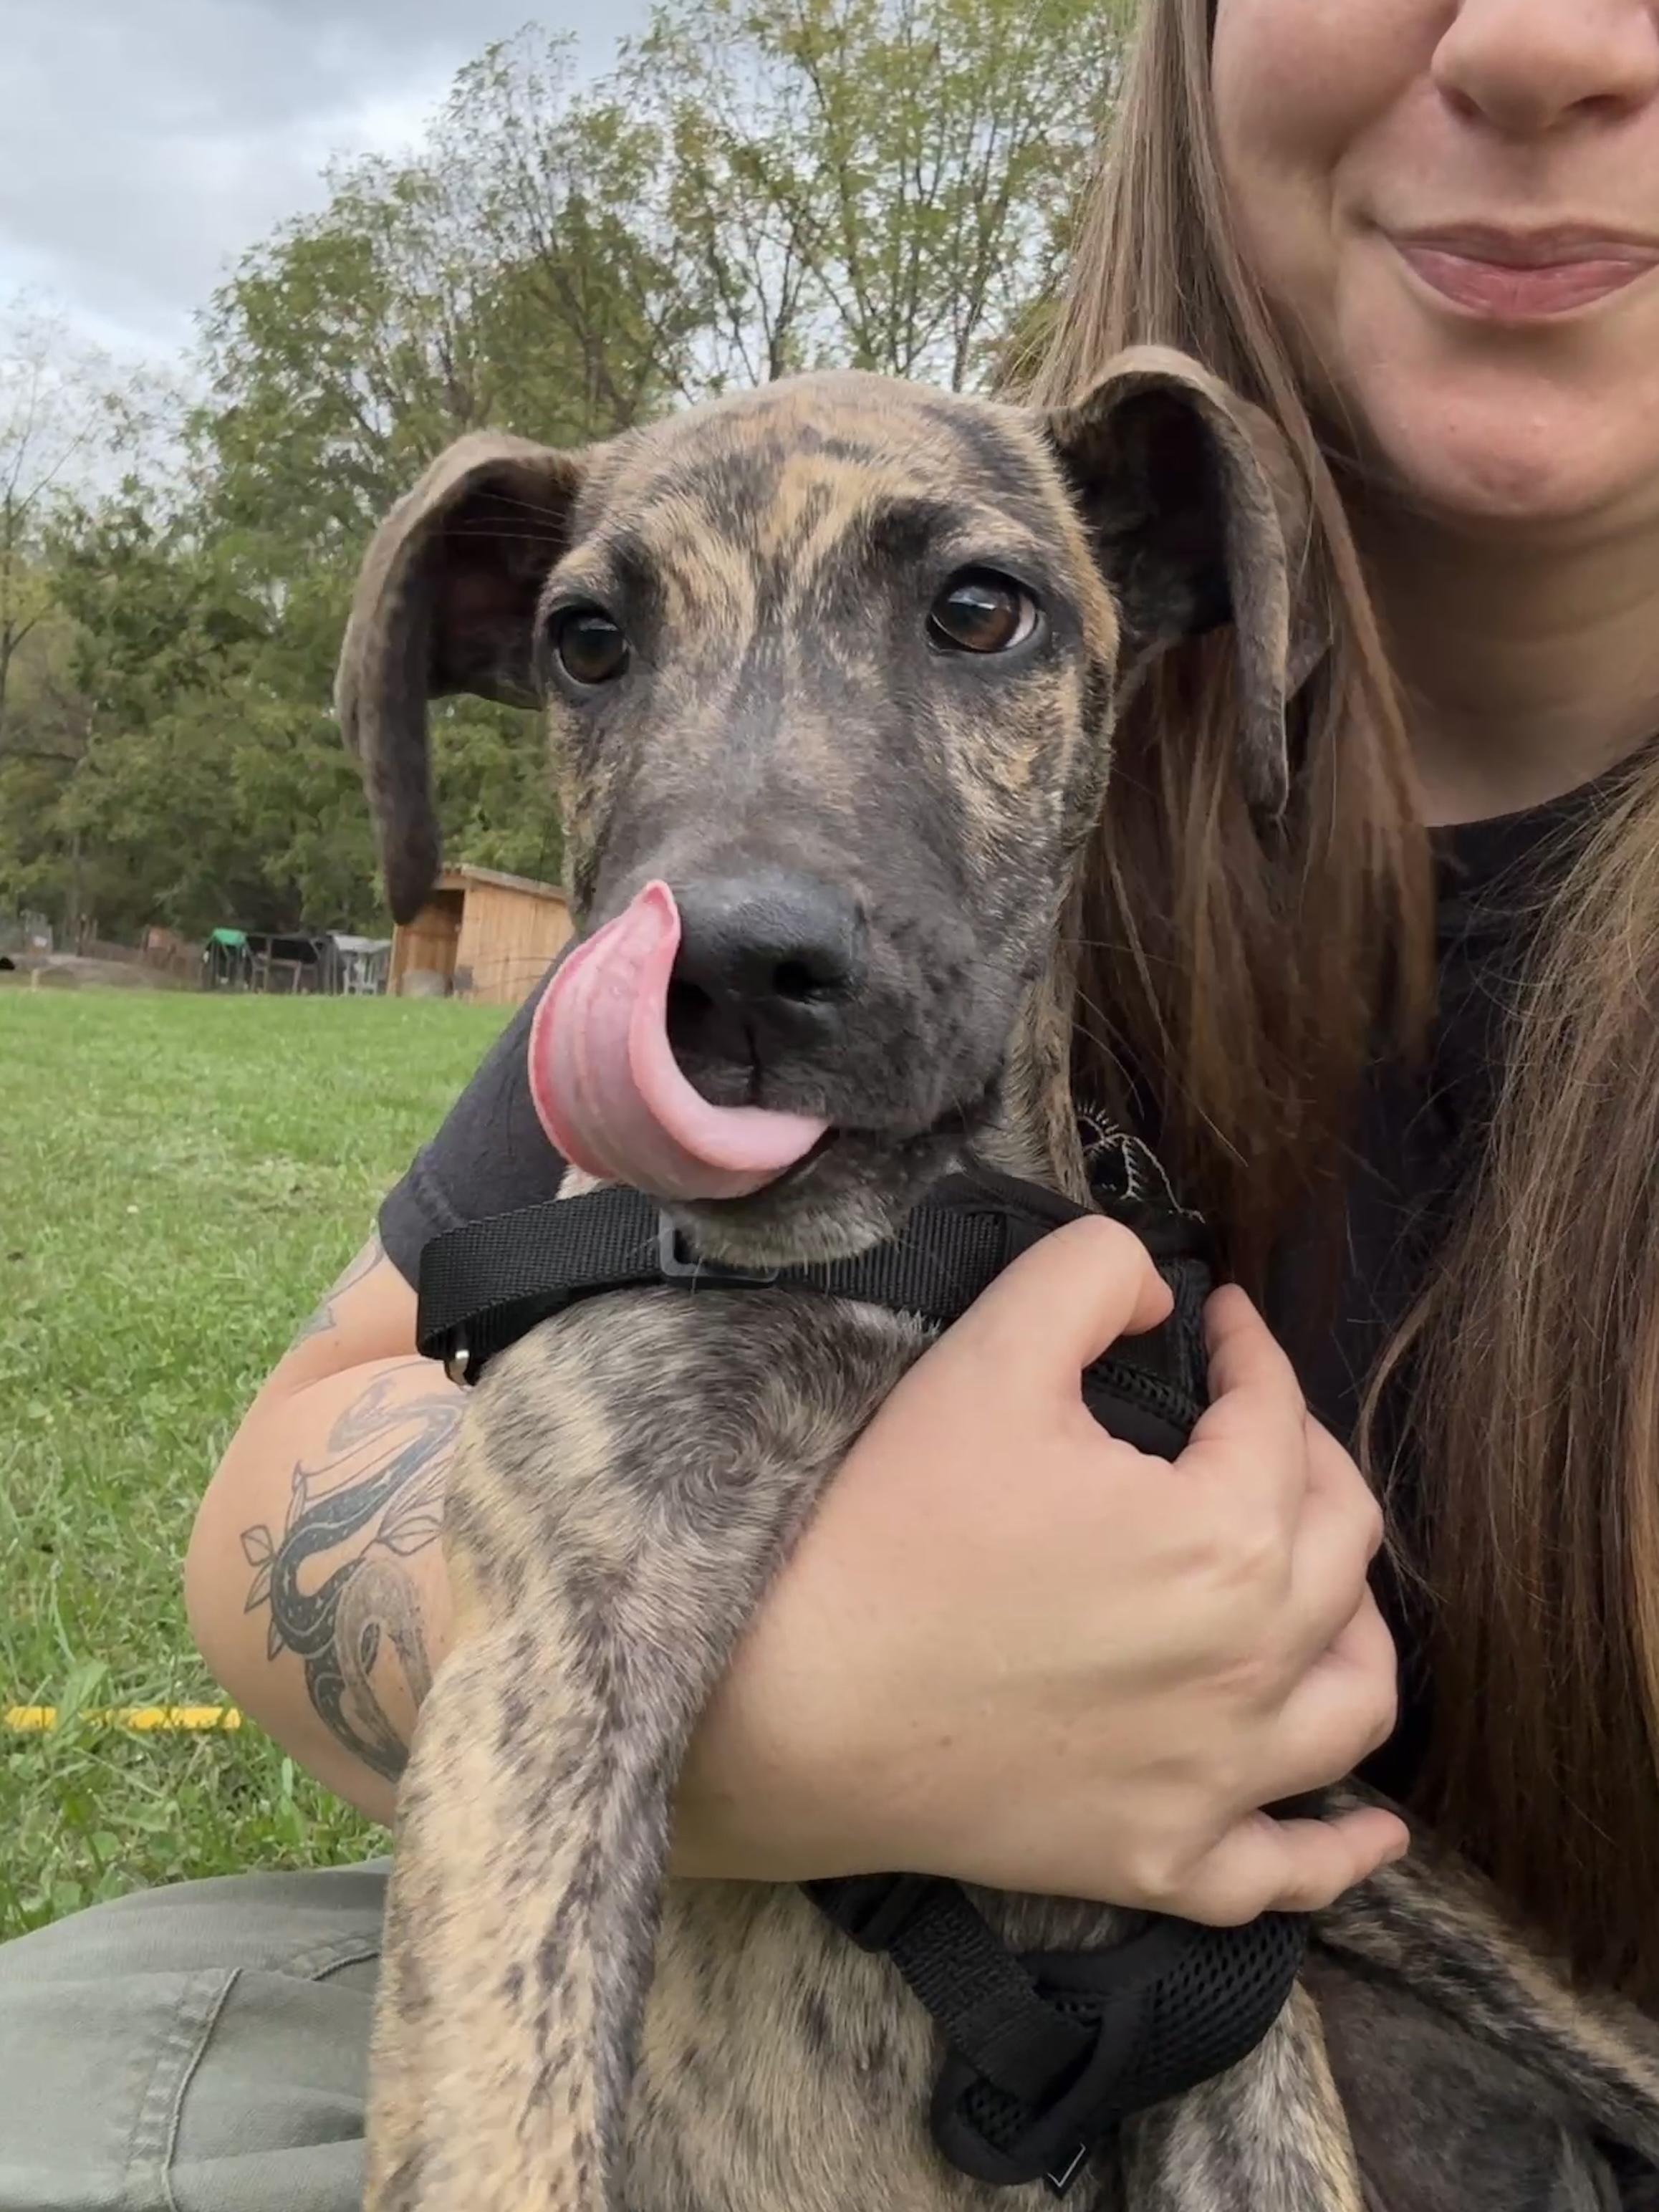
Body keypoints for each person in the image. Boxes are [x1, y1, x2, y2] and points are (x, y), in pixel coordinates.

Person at [6, 0, 1659, 2203]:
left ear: (1163, 592)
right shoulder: (705, 1072)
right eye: (600, 649)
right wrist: (777, 1711)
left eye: (970, 615)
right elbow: (290, 1487)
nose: (1546, 37)